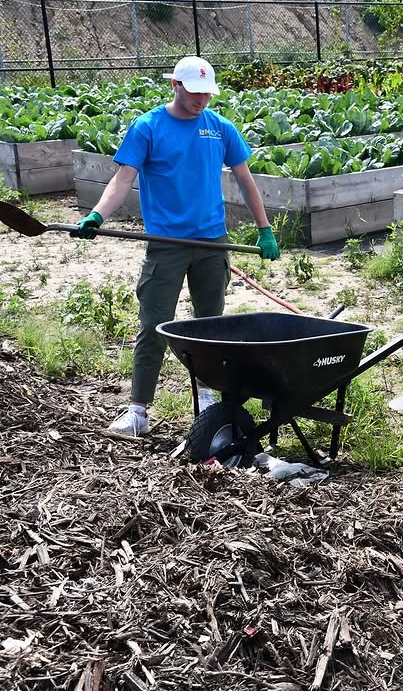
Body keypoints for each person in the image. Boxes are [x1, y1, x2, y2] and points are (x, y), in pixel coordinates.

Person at [71, 56, 280, 437]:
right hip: (166, 244)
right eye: (195, 92)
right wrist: (97, 215)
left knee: (210, 326)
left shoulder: (220, 128)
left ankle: (208, 398)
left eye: (207, 93)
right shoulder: (148, 127)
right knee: (153, 325)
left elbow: (246, 180)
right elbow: (123, 179)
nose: (202, 100)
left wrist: (264, 229)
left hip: (212, 243)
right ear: (175, 86)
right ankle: (138, 410)